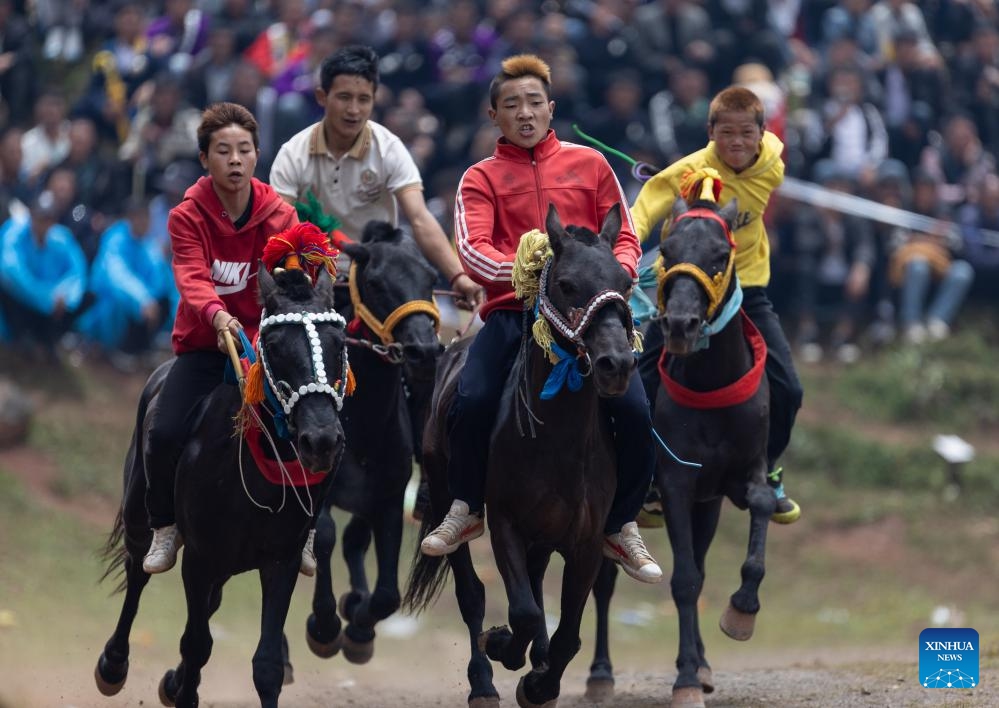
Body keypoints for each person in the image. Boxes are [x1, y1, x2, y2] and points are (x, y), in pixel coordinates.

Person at [418, 54, 663, 584]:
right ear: (494, 116)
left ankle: (621, 524)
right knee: (472, 397)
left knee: (638, 410)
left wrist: (611, 276)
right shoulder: (478, 178)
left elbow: (625, 239)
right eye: (512, 105)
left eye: (534, 103)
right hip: (513, 313)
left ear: (551, 109)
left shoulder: (592, 166)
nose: (524, 114)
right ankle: (465, 506)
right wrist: (527, 274)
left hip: (592, 313)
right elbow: (472, 252)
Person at [631, 85, 802, 524]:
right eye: (726, 133)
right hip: (689, 292)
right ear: (710, 132)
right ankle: (646, 476)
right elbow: (647, 204)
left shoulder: (773, 166)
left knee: (789, 387)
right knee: (643, 377)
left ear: (762, 133)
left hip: (748, 289)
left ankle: (767, 472)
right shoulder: (691, 170)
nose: (738, 142)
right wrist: (626, 249)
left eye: (748, 133)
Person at [141, 102, 299, 575]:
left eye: (244, 150)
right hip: (204, 348)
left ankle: (306, 529)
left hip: (264, 351)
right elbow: (191, 275)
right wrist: (217, 315)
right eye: (223, 151)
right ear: (205, 159)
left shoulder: (282, 216)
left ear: (256, 156)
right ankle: (164, 525)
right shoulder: (187, 216)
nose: (234, 159)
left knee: (313, 420)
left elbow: (291, 279)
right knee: (163, 432)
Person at [268, 44, 483, 310]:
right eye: (344, 97)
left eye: (364, 99)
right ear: (322, 97)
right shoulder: (293, 154)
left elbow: (419, 218)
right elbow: (279, 227)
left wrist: (458, 276)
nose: (354, 109)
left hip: (376, 280)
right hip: (311, 282)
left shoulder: (389, 148)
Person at [0, 189, 93, 358]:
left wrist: (65, 294)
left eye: (48, 218)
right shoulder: (14, 233)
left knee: (87, 296)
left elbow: (77, 272)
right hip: (21, 300)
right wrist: (48, 298)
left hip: (50, 304)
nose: (43, 223)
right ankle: (19, 337)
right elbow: (13, 274)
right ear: (31, 215)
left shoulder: (61, 238)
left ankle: (46, 340)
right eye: (40, 217)